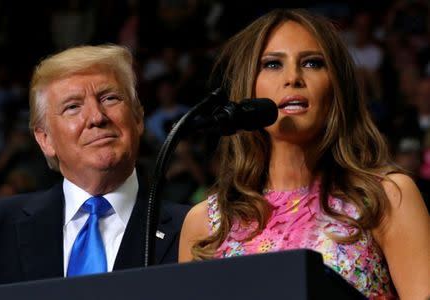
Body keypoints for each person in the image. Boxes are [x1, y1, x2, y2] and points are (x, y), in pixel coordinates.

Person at [178, 8, 430, 300]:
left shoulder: (385, 197)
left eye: (312, 63)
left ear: (337, 87)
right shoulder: (206, 223)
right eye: (272, 64)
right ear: (248, 87)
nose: (293, 77)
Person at [0, 44, 189, 287]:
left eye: (110, 98)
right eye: (73, 107)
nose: (97, 117)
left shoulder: (192, 229)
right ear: (45, 139)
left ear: (138, 119)